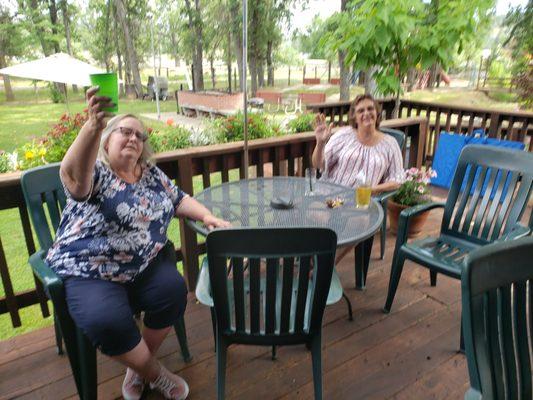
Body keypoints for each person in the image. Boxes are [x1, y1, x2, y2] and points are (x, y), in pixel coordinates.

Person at [46, 87, 230, 400]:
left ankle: (137, 369)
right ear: (107, 140)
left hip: (142, 266)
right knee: (107, 321)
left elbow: (178, 198)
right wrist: (93, 125)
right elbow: (74, 179)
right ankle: (157, 374)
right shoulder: (98, 173)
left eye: (139, 135)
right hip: (93, 269)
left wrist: (207, 215)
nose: (133, 138)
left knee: (173, 292)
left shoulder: (149, 174)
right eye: (125, 132)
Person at [312, 94, 403, 194]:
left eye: (370, 109)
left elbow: (397, 181)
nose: (366, 113)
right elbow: (318, 164)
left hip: (362, 202)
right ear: (354, 117)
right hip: (330, 195)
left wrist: (371, 190)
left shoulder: (390, 144)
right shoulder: (343, 135)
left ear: (377, 113)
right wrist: (320, 143)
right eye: (361, 111)